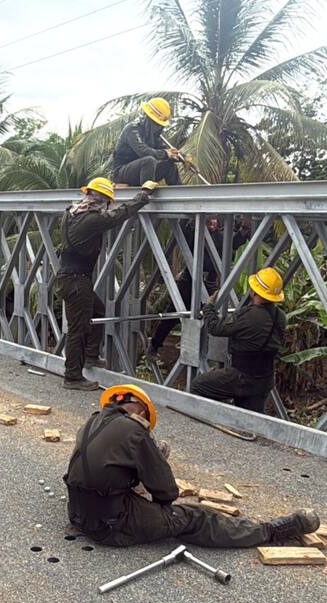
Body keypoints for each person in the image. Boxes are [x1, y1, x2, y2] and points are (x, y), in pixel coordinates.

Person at [64, 383, 319, 547]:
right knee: (195, 517)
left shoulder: (92, 422)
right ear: (141, 413)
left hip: (77, 513)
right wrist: (155, 477)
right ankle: (270, 532)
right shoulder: (134, 430)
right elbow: (167, 494)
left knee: (118, 480)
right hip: (111, 526)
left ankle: (149, 465)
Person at [57, 177, 156, 390]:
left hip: (69, 279)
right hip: (77, 282)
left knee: (98, 311)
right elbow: (119, 215)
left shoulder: (70, 213)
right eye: (108, 201)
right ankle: (72, 377)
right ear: (102, 201)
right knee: (78, 329)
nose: (109, 205)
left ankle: (91, 355)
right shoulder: (92, 220)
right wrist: (143, 196)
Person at [147, 217, 251, 358]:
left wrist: (244, 231)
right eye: (209, 221)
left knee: (213, 316)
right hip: (189, 280)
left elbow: (234, 242)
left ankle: (210, 354)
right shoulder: (194, 234)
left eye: (214, 220)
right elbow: (183, 232)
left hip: (209, 282)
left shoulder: (219, 237)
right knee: (173, 315)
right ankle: (155, 344)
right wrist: (189, 221)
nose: (213, 223)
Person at [191, 267, 287, 413]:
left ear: (254, 291)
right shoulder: (280, 316)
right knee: (249, 420)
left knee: (199, 386)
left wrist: (209, 307)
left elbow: (216, 328)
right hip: (264, 379)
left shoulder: (249, 316)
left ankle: (210, 427)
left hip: (242, 377)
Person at [111, 97, 181, 187]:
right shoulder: (132, 129)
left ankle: (180, 192)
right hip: (121, 173)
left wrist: (181, 156)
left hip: (143, 172)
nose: (159, 127)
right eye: (156, 124)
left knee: (170, 164)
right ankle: (145, 193)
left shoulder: (153, 135)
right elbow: (143, 151)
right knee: (149, 160)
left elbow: (164, 150)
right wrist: (166, 153)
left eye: (160, 125)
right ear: (148, 118)